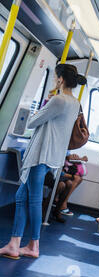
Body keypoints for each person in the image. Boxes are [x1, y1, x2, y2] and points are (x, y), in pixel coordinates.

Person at [0, 64, 86, 259]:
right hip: (52, 155)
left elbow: (32, 122)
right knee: (22, 196)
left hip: (41, 154)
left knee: (35, 200)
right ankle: (14, 243)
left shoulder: (59, 100)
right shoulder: (75, 102)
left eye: (55, 76)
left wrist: (48, 98)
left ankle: (33, 245)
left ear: (60, 79)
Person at [44, 153, 88, 223]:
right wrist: (72, 176)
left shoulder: (65, 150)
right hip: (48, 172)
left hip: (56, 173)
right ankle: (45, 209)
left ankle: (57, 210)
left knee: (69, 183)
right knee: (61, 185)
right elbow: (55, 169)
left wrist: (77, 158)